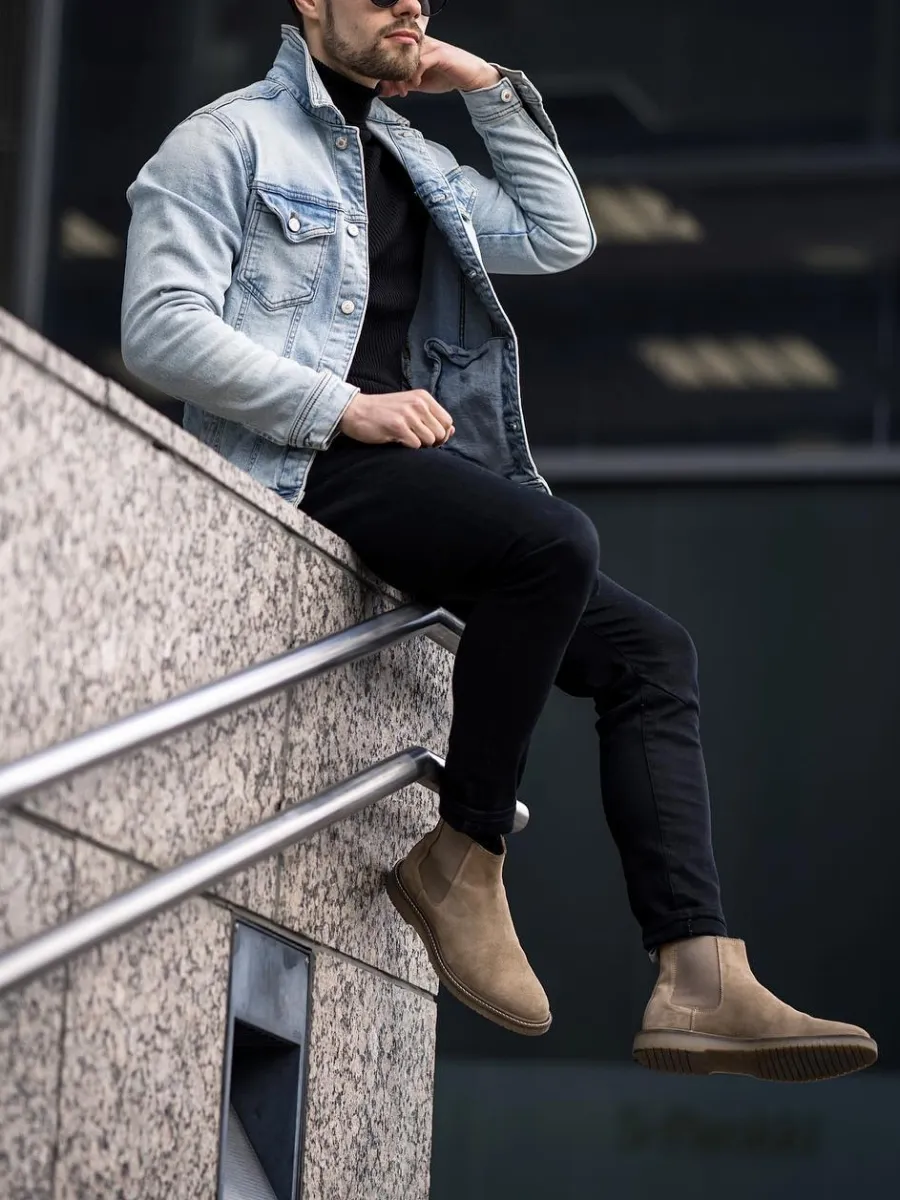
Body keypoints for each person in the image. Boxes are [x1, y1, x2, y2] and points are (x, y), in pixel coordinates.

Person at [121, 0, 877, 1082]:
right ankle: (464, 855)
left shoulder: (411, 159)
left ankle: (699, 972)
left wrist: (482, 85)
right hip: (304, 464)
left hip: (406, 476)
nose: (410, 6)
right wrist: (343, 406)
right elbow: (161, 325)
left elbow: (559, 234)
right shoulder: (224, 140)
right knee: (553, 543)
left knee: (653, 654)